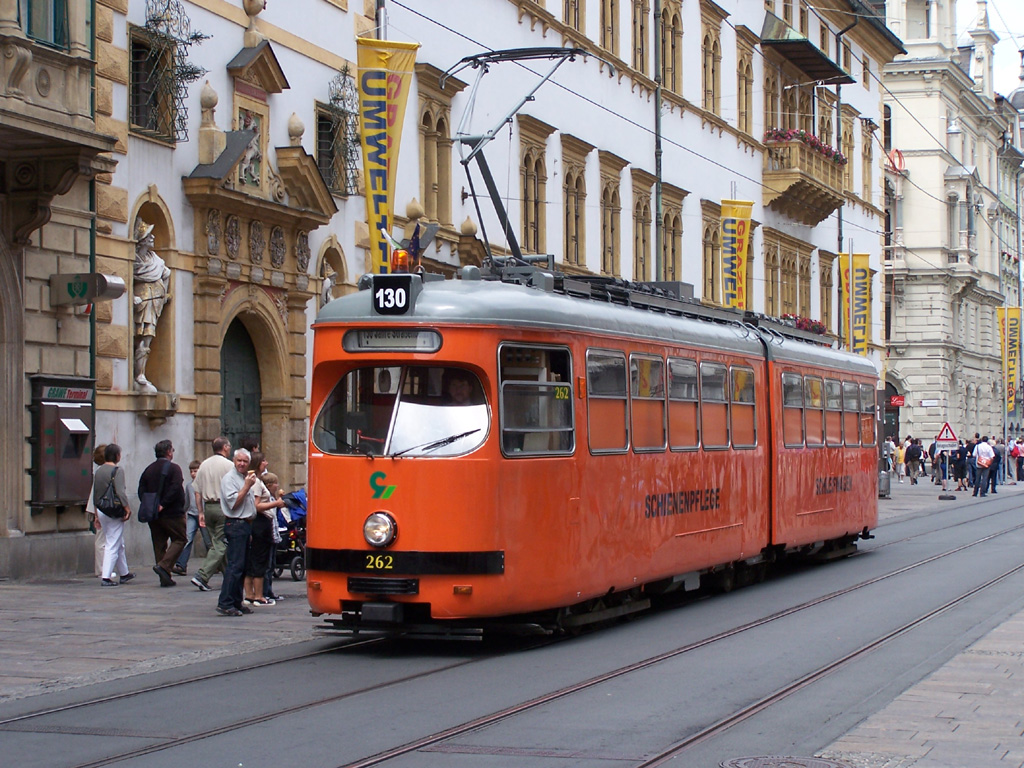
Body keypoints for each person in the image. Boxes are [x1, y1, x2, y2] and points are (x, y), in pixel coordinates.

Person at [138, 439, 187, 587]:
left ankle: (164, 577)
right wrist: (163, 504)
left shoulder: (148, 469)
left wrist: (149, 505)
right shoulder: (174, 468)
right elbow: (175, 487)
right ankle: (164, 566)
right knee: (180, 539)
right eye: (172, 450)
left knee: (159, 543)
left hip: (153, 514)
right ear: (168, 452)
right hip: (172, 513)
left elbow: (141, 490)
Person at [216, 448, 259, 617]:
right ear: (234, 461)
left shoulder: (243, 477)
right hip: (236, 524)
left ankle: (235, 601)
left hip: (245, 525)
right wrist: (247, 486)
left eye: (245, 461)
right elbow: (233, 503)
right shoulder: (230, 479)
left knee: (242, 566)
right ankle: (225, 602)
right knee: (234, 565)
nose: (241, 464)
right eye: (239, 461)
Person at [132, 220, 171, 393]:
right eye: (149, 235)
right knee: (141, 338)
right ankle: (138, 374)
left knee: (148, 337)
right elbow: (127, 277)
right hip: (143, 302)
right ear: (142, 240)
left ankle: (141, 374)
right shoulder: (135, 260)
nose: (153, 236)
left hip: (154, 303)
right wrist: (133, 297)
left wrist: (164, 295)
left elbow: (166, 273)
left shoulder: (155, 259)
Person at [191, 437, 234, 591]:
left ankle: (229, 577)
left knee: (216, 543)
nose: (229, 449)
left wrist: (200, 512)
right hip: (223, 507)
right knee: (220, 544)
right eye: (228, 446)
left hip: (208, 507)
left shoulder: (204, 465)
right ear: (224, 447)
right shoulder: (229, 465)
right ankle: (202, 575)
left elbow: (197, 491)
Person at [245, 456, 286, 606]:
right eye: (263, 461)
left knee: (253, 560)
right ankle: (258, 596)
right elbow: (256, 505)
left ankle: (251, 595)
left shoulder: (255, 480)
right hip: (260, 524)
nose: (266, 463)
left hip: (260, 523)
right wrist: (276, 503)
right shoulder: (256, 482)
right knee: (259, 560)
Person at [92, 444, 135, 586]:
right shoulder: (117, 470)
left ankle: (124, 573)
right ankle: (106, 576)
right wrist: (127, 508)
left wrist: (96, 515)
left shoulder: (98, 471)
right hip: (113, 509)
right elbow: (121, 492)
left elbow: (95, 493)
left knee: (118, 542)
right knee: (112, 542)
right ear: (117, 456)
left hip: (101, 509)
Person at [173, 460, 209, 576]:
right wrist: (182, 512)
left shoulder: (205, 484)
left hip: (203, 515)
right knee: (187, 538)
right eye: (191, 471)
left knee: (208, 541)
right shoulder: (189, 486)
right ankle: (181, 565)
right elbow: (187, 502)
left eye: (195, 471)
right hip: (192, 515)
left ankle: (216, 564)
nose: (193, 474)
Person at [85, 443, 107, 577]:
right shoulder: (101, 472)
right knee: (101, 540)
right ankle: (101, 569)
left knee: (104, 540)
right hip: (101, 508)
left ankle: (104, 568)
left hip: (100, 508)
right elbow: (97, 494)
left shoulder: (101, 471)